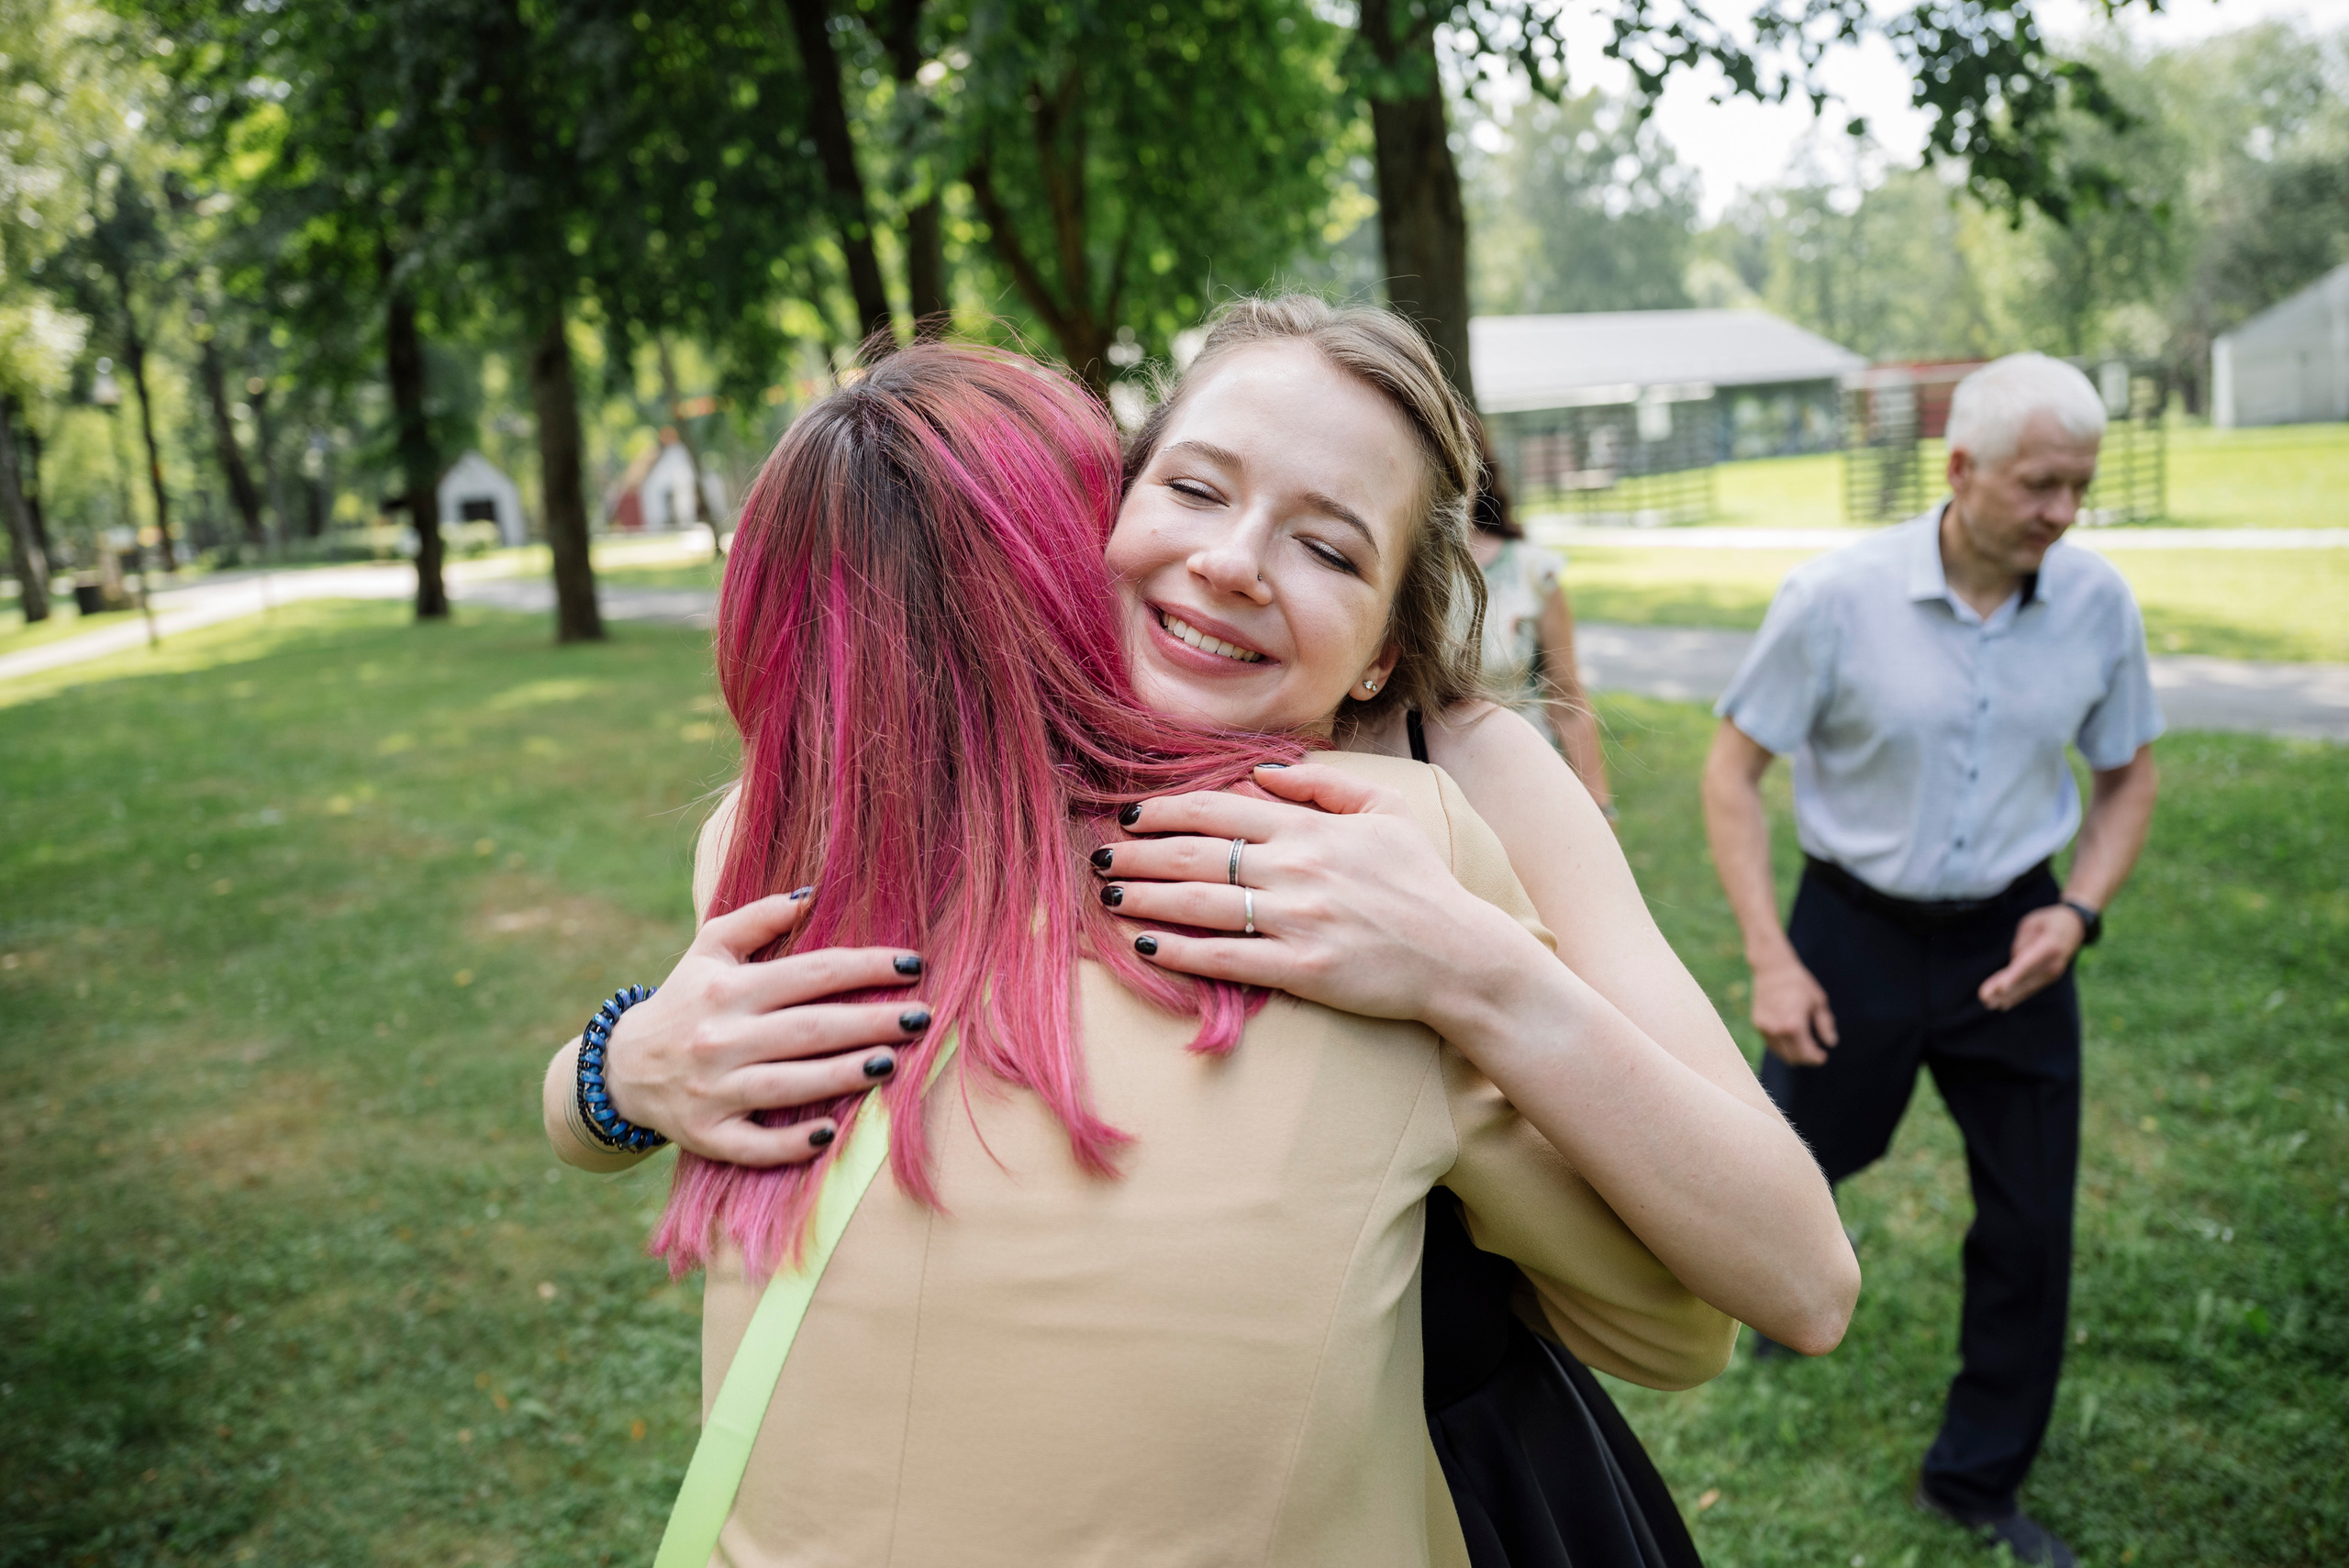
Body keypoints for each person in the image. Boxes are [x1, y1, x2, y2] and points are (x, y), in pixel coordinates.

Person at [549, 300, 1858, 1562]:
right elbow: (709, 979)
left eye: (1332, 548)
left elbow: (1789, 1283)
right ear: (1095, 509)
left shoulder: (1462, 779)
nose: (1232, 562)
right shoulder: (933, 794)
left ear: (1383, 661)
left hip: (1450, 1436)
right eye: (1193, 488)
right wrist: (616, 1071)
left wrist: (1468, 964)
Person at [1699, 353, 2163, 1568]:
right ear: (1960, 471)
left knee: (2030, 1219)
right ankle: (1754, 1301)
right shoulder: (1833, 597)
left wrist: (2080, 913)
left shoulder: (2100, 604)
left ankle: (1977, 1478)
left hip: (2016, 937)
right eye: (2041, 484)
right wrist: (1773, 958)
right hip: (1849, 928)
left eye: (2080, 486)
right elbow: (1732, 773)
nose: (2065, 512)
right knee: (1793, 1162)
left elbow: (2127, 775)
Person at [1466, 420, 1612, 820]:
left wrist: (1600, 806)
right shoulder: (1394, 577)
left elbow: (1567, 699)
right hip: (1432, 796)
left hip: (1528, 789)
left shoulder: (1532, 571)